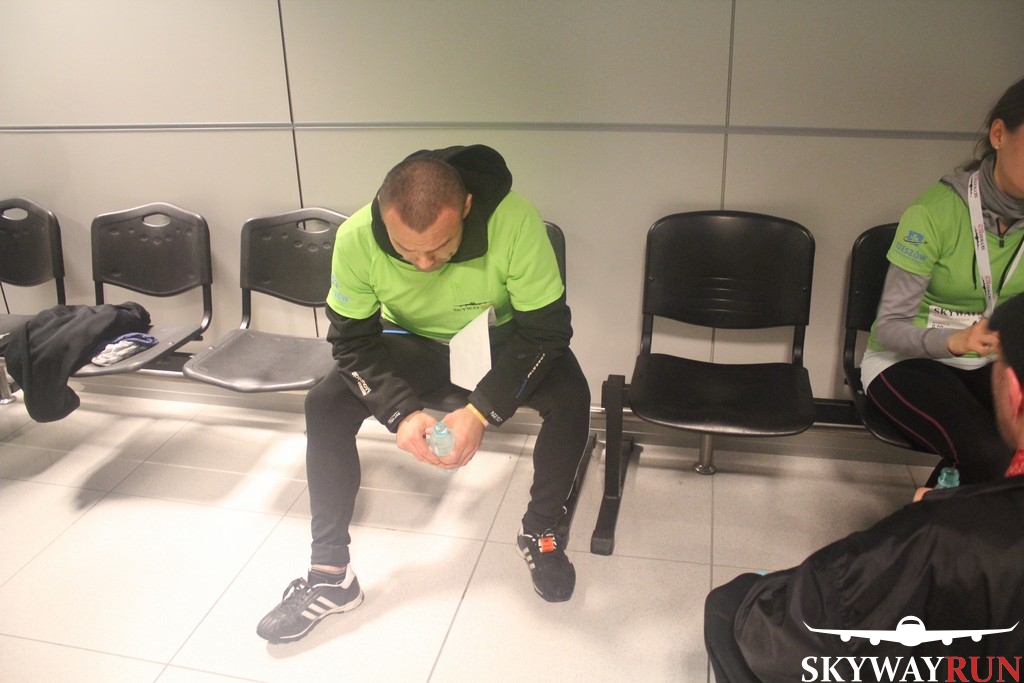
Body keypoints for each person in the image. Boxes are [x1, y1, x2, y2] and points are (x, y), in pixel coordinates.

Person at [256, 144, 592, 643]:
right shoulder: (356, 237)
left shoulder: (516, 221)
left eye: (440, 246)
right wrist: (399, 413)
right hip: (411, 341)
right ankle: (330, 575)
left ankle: (540, 531)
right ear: (383, 214)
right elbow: (351, 343)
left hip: (499, 341)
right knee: (324, 404)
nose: (425, 263)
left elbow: (547, 333)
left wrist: (480, 411)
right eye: (407, 249)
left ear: (467, 208)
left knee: (572, 396)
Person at [704, 292, 1024, 683]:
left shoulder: (944, 537)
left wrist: (935, 522)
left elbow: (800, 624)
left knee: (730, 609)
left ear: (1013, 392)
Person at [861, 76, 1024, 487]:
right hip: (907, 359)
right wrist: (955, 340)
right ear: (999, 134)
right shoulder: (934, 213)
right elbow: (890, 328)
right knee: (989, 452)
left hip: (992, 361)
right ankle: (932, 522)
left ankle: (944, 510)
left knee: (1010, 452)